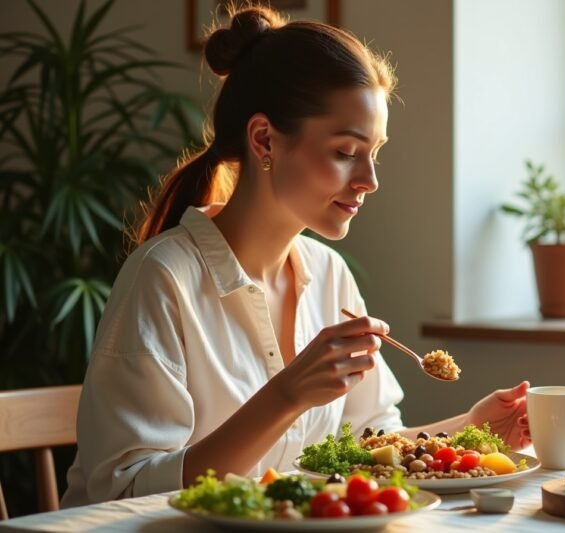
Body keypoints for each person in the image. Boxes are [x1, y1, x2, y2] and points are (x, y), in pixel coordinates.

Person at [61, 6, 531, 507]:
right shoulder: (163, 278)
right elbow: (124, 494)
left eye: (375, 152)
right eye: (347, 151)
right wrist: (286, 396)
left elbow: (367, 448)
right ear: (264, 138)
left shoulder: (329, 274)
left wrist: (472, 428)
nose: (370, 180)